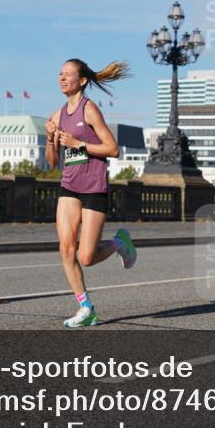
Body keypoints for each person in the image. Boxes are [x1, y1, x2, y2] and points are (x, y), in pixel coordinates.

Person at [45, 58, 137, 327]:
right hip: (69, 186)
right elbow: (52, 162)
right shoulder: (56, 115)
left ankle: (119, 243)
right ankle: (86, 309)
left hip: (94, 188)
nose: (62, 78)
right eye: (60, 74)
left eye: (68, 74)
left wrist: (78, 143)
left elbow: (113, 149)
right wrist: (50, 138)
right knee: (66, 248)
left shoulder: (90, 110)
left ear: (82, 80)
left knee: (86, 257)